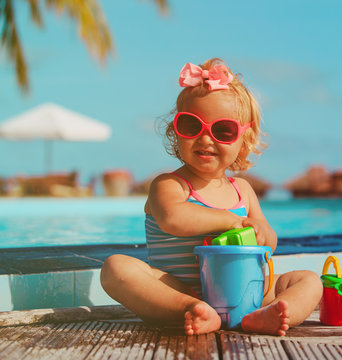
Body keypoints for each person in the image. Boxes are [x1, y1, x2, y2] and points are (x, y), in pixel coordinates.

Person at [100, 58, 323, 336]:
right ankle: (190, 309)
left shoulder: (243, 190)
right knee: (115, 268)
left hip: (245, 292)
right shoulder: (169, 184)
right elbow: (174, 218)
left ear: (245, 140)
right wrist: (234, 222)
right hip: (179, 289)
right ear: (175, 130)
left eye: (223, 130)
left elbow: (268, 240)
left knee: (310, 280)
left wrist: (263, 231)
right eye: (192, 126)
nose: (206, 139)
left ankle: (268, 314)